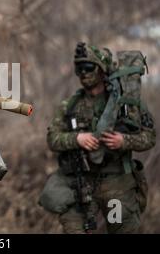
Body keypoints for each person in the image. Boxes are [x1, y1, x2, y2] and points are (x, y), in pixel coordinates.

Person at [40, 42, 156, 233]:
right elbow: (53, 139)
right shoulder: (70, 106)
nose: (83, 73)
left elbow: (149, 137)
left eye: (88, 67)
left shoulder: (125, 103)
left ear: (102, 70)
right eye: (79, 69)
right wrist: (77, 139)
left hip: (116, 185)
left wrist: (124, 141)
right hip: (81, 184)